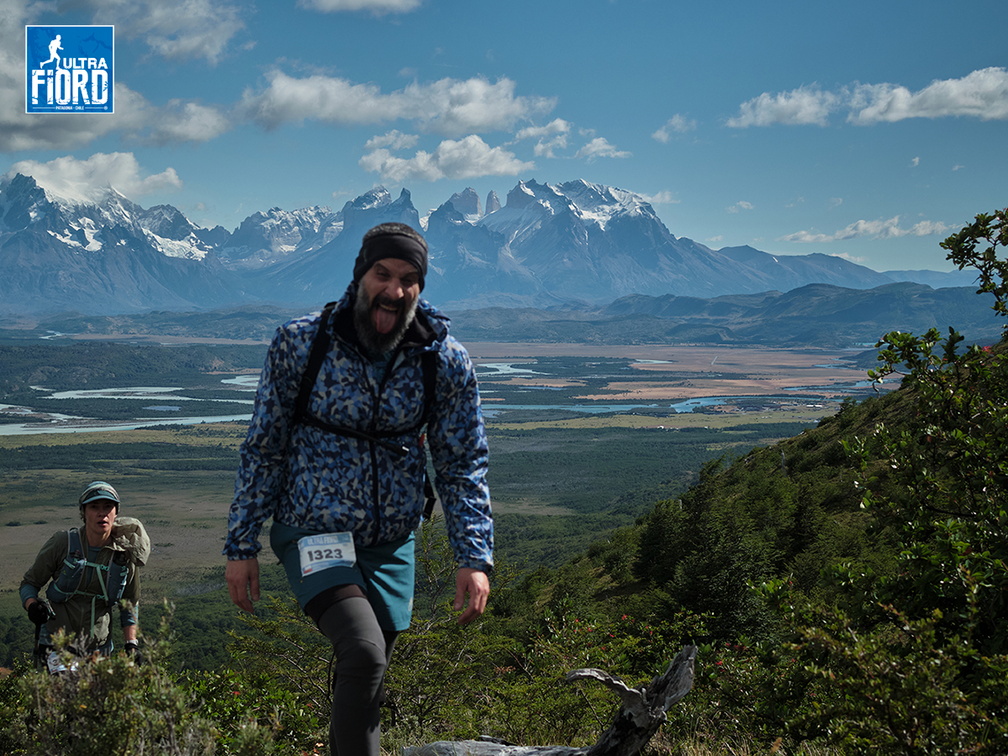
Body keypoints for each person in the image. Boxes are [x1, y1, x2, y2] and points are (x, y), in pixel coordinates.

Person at [224, 222, 493, 756]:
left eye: (410, 279)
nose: (395, 291)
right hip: (312, 529)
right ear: (360, 274)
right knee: (365, 653)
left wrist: (474, 557)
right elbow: (265, 447)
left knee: (368, 670)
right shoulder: (302, 344)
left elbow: (462, 465)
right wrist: (241, 545)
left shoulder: (444, 361)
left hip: (393, 542)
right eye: (383, 274)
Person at [21, 481, 150, 673]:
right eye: (94, 507)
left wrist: (131, 644)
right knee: (67, 696)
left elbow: (129, 603)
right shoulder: (63, 543)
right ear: (84, 512)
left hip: (99, 650)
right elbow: (29, 584)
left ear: (116, 512)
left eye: (108, 507)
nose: (102, 513)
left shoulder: (123, 555)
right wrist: (32, 605)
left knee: (94, 702)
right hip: (57, 646)